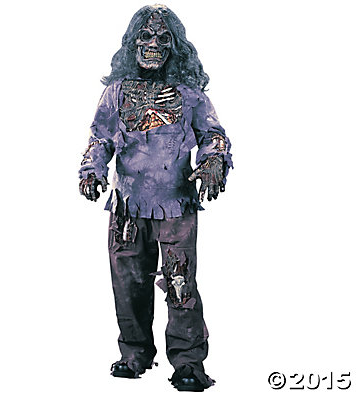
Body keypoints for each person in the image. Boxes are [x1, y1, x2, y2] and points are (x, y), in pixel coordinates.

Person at [79, 4, 233, 392]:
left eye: (163, 38)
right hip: (127, 206)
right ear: (133, 42)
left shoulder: (190, 95)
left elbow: (213, 135)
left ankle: (188, 362)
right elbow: (100, 137)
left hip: (176, 206)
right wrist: (91, 169)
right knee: (128, 283)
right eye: (145, 36)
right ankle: (134, 353)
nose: (153, 44)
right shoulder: (116, 92)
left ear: (175, 46)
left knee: (180, 283)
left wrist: (213, 162)